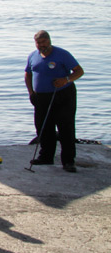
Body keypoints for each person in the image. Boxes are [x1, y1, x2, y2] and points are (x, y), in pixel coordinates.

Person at [24, 30, 84, 172]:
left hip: (63, 95)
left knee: (65, 128)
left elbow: (79, 71)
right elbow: (28, 74)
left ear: (49, 41)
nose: (41, 45)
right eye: (38, 43)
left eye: (44, 42)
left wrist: (66, 80)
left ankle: (68, 161)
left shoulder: (62, 54)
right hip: (41, 97)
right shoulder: (33, 56)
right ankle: (46, 157)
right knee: (43, 127)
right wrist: (31, 92)